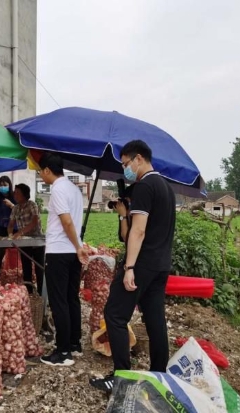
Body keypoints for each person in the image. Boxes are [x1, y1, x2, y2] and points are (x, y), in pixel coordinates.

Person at [91, 140, 176, 391]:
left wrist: (129, 268)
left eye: (125, 163)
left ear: (139, 158)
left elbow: (137, 231)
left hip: (142, 264)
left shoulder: (145, 186)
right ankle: (159, 374)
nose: (125, 169)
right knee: (155, 319)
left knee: (115, 315)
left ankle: (121, 378)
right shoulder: (166, 187)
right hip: (161, 264)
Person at [37, 153, 88, 367]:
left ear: (48, 170)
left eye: (40, 171)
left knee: (59, 302)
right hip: (72, 253)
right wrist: (78, 247)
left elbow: (67, 222)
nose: (41, 175)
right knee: (71, 298)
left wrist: (78, 246)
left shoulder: (57, 189)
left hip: (59, 251)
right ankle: (74, 343)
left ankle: (63, 351)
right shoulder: (74, 189)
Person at [8, 183, 44, 294]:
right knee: (26, 267)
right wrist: (10, 234)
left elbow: (34, 222)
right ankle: (29, 292)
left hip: (36, 240)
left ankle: (41, 292)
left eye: (17, 193)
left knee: (39, 268)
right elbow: (11, 224)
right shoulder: (15, 208)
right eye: (14, 193)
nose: (15, 195)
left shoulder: (32, 205)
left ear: (24, 194)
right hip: (24, 242)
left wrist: (20, 232)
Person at [0, 175, 17, 278]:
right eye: (0, 185)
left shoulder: (15, 197)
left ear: (9, 185)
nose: (2, 187)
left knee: (18, 252)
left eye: (5, 185)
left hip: (14, 229)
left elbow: (20, 212)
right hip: (0, 229)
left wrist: (11, 205)